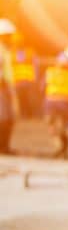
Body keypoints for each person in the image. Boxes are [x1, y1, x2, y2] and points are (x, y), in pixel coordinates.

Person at [44, 51, 68, 158]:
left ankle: (59, 146)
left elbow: (42, 87)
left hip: (51, 103)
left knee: (52, 127)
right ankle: (64, 149)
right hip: (66, 105)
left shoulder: (50, 72)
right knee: (65, 128)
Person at [9, 32, 41, 117]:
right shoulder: (11, 53)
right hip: (18, 81)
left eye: (18, 42)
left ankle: (32, 114)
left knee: (30, 99)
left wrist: (36, 78)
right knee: (21, 99)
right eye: (16, 42)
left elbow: (36, 65)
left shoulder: (29, 52)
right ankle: (24, 115)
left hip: (28, 80)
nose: (17, 44)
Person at [0, 19, 17, 154]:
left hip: (6, 87)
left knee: (8, 119)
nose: (10, 38)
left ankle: (5, 147)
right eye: (8, 35)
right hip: (2, 87)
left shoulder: (5, 50)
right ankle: (3, 147)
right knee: (4, 119)